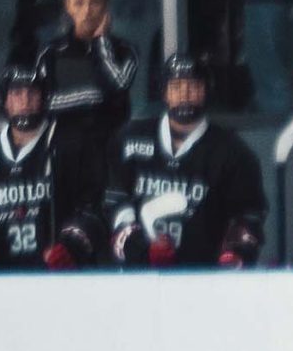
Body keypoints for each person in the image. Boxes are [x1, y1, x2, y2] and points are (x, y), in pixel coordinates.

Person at [104, 52, 266, 267]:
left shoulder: (233, 152)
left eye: (193, 87)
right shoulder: (130, 139)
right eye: (176, 87)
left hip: (202, 279)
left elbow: (248, 215)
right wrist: (140, 248)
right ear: (164, 93)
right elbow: (115, 203)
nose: (185, 94)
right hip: (138, 279)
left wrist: (234, 254)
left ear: (206, 91)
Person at [0, 58, 103, 287]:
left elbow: (90, 209)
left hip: (61, 280)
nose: (25, 101)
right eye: (16, 94)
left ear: (44, 98)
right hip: (1, 282)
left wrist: (72, 246)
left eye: (32, 93)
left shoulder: (70, 147)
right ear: (4, 101)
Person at [39, 0, 139, 157]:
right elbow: (45, 104)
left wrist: (101, 43)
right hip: (64, 156)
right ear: (67, 6)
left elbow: (119, 85)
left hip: (112, 154)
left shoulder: (125, 51)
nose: (87, 11)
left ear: (106, 5)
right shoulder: (51, 52)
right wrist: (96, 97)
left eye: (94, 2)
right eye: (79, 3)